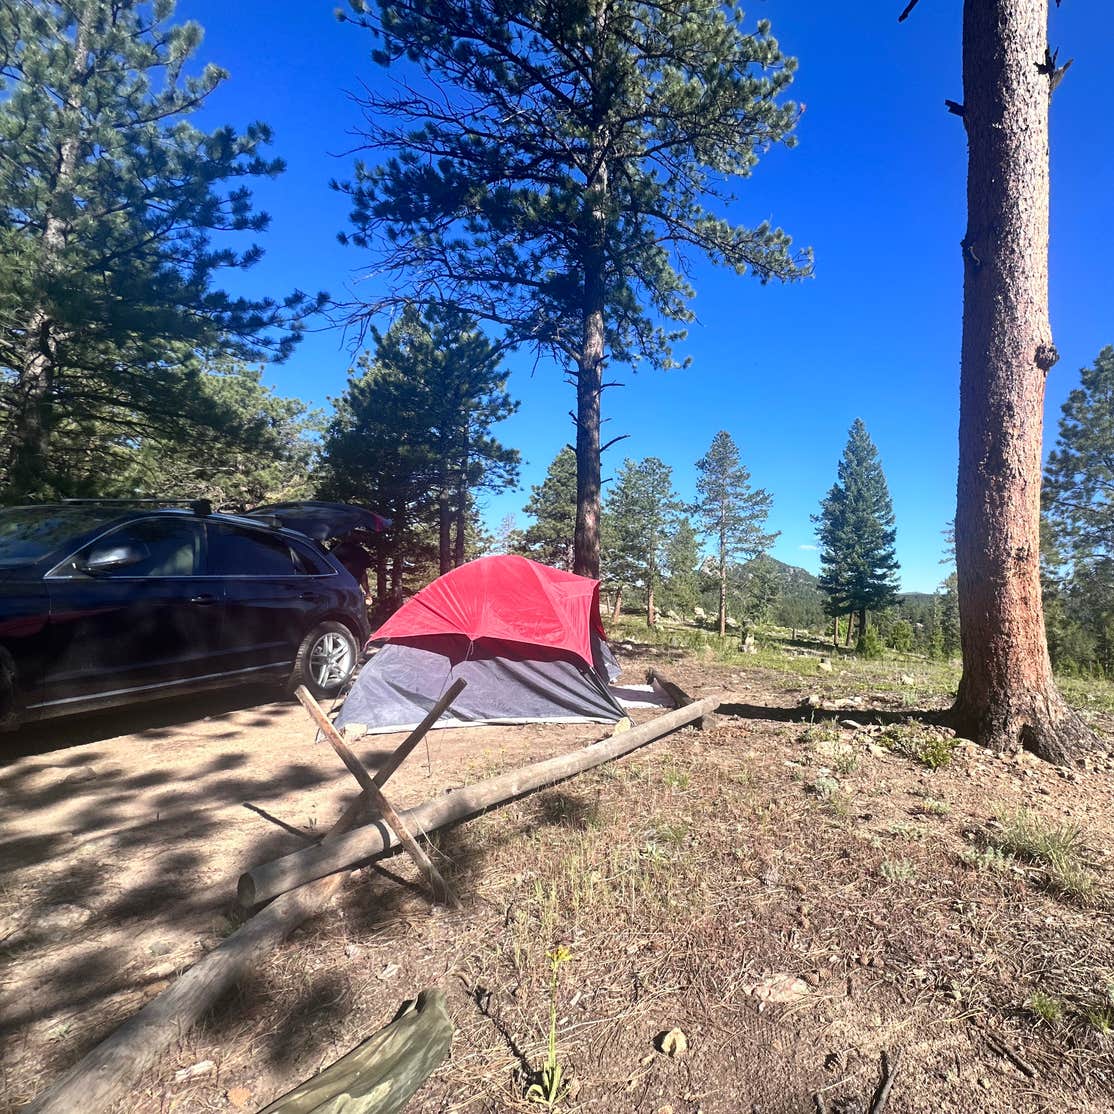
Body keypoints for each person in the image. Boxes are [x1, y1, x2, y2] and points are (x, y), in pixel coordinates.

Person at [330, 531, 375, 598]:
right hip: (340, 588)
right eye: (357, 533)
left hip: (349, 589)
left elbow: (363, 574)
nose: (361, 536)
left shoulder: (362, 553)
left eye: (362, 534)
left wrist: (368, 593)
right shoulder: (339, 550)